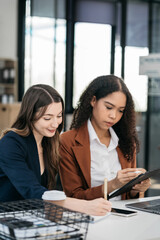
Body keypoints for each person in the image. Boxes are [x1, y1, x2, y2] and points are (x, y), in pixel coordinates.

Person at [0, 84, 111, 216]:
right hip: (7, 220)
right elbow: (32, 191)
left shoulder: (49, 142)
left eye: (59, 116)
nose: (55, 123)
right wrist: (84, 206)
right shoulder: (11, 143)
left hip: (33, 218)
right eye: (47, 118)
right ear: (30, 116)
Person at [59, 75, 151, 200]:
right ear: (93, 101)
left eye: (120, 110)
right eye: (108, 107)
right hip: (90, 216)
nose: (113, 116)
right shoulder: (67, 141)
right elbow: (74, 196)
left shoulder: (127, 141)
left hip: (124, 217)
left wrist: (137, 189)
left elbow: (129, 197)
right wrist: (112, 185)